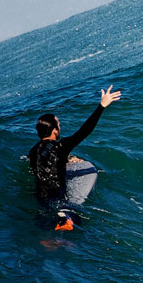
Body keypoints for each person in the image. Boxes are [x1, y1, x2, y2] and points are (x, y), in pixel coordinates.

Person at [29, 85, 121, 229]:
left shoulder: (33, 151)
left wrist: (66, 159)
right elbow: (85, 131)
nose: (60, 126)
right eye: (58, 124)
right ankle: (66, 223)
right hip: (58, 194)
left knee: (44, 219)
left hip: (40, 195)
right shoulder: (61, 146)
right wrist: (101, 106)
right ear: (54, 131)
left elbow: (46, 163)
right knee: (72, 219)